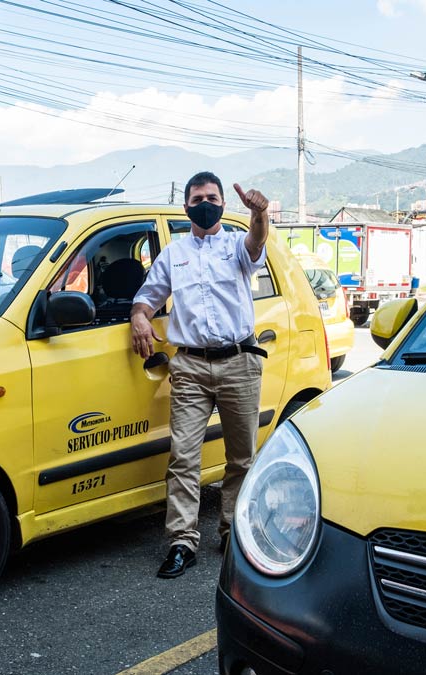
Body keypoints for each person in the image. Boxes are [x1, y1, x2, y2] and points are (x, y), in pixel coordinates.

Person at [130, 171, 270, 579]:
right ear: (187, 206)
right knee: (183, 458)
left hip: (239, 362)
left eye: (212, 196)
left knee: (241, 458)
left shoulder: (236, 245)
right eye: (197, 198)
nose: (204, 202)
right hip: (189, 365)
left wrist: (260, 215)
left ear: (224, 203)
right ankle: (181, 542)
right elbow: (147, 297)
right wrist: (139, 318)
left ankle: (232, 533)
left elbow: (257, 243)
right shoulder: (174, 253)